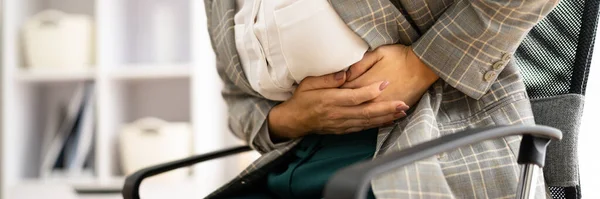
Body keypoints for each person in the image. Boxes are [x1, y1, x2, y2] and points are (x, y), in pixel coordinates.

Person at [203, 0, 558, 198]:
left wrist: (421, 65)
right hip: (291, 160)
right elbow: (235, 96)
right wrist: (290, 119)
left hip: (425, 144)